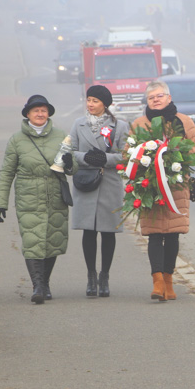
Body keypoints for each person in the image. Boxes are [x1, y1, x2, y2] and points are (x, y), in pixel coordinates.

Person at [129, 80, 195, 301]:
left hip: (177, 186)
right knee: (153, 233)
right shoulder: (140, 124)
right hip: (150, 186)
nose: (156, 100)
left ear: (169, 98)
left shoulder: (184, 121)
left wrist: (177, 156)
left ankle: (169, 281)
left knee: (172, 234)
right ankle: (157, 281)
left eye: (159, 96)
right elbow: (129, 153)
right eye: (151, 97)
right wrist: (144, 162)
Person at [0, 95, 73, 304]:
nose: (40, 114)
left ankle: (45, 282)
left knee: (52, 240)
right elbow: (6, 173)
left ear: (48, 113)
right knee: (32, 241)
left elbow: (72, 168)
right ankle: (37, 286)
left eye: (43, 110)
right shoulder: (16, 140)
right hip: (28, 197)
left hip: (55, 194)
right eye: (36, 110)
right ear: (27, 114)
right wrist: (0, 202)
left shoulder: (62, 136)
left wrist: (70, 163)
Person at [69, 85, 129, 297]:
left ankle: (105, 276)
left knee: (108, 231)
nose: (90, 104)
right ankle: (91, 276)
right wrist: (86, 158)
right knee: (89, 231)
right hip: (86, 181)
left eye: (95, 100)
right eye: (88, 100)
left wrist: (105, 158)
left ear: (105, 103)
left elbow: (125, 155)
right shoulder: (78, 124)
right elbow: (71, 151)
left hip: (109, 183)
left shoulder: (119, 126)